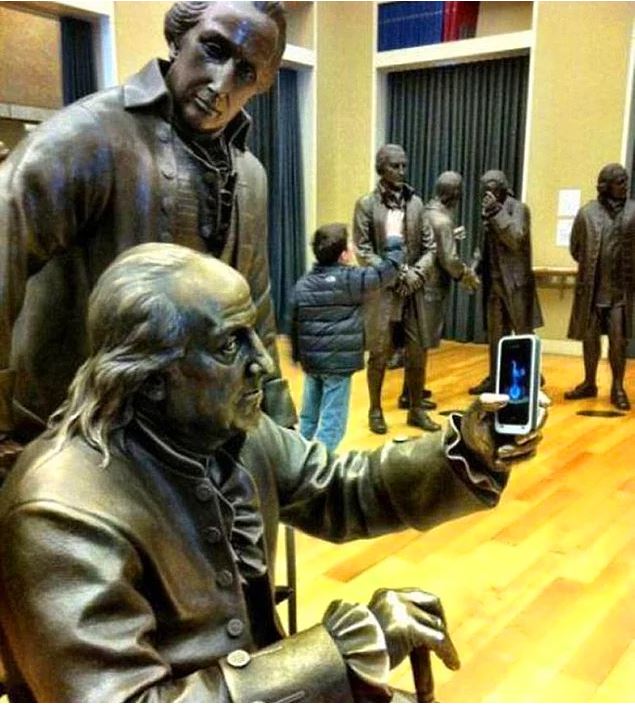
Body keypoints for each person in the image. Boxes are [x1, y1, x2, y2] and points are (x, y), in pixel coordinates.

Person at [0, 243, 546, 703]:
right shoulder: (57, 515)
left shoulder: (230, 431)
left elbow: (341, 487)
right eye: (229, 345)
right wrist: (339, 654)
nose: (263, 363)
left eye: (256, 336)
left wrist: (469, 449)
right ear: (151, 377)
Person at [0, 1, 295, 468]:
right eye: (214, 49)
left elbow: (254, 308)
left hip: (187, 447)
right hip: (71, 442)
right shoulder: (89, 136)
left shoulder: (250, 177)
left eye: (245, 72)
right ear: (178, 37)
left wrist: (279, 423)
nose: (221, 84)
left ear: (260, 85)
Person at [291, 223, 404, 452]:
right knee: (333, 425)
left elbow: (293, 323)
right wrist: (393, 238)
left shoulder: (303, 284)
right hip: (338, 364)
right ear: (343, 255)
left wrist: (297, 356)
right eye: (350, 244)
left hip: (312, 363)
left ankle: (297, 459)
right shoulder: (351, 279)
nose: (353, 246)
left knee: (308, 418)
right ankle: (317, 466)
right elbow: (387, 271)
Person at [353, 144, 437, 435]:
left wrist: (416, 273)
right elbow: (363, 250)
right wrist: (395, 272)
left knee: (417, 351)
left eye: (404, 165)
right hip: (383, 292)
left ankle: (415, 409)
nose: (401, 171)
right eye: (394, 166)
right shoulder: (366, 204)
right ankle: (375, 409)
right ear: (381, 168)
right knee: (379, 353)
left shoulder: (416, 204)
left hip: (413, 290)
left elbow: (430, 247)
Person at [401, 172, 479, 413]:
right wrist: (467, 274)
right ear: (454, 193)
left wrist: (451, 237)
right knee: (420, 343)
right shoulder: (443, 221)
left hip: (416, 284)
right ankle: (411, 397)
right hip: (431, 288)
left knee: (415, 343)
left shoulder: (424, 212)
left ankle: (411, 391)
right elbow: (449, 259)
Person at [564, 163, 635, 410]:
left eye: (626, 181)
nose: (625, 186)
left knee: (618, 340)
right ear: (605, 186)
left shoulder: (633, 211)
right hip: (593, 289)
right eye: (620, 182)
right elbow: (575, 248)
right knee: (590, 338)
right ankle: (589, 382)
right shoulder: (586, 213)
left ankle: (617, 386)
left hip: (620, 291)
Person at [469, 170, 543, 395]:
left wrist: (496, 212)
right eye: (484, 189)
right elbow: (482, 246)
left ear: (502, 188)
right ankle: (496, 378)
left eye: (491, 188)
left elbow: (515, 238)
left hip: (516, 283)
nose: (487, 194)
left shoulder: (518, 208)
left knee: (522, 332)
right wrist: (473, 268)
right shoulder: (488, 211)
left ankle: (530, 377)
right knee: (495, 335)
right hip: (494, 283)